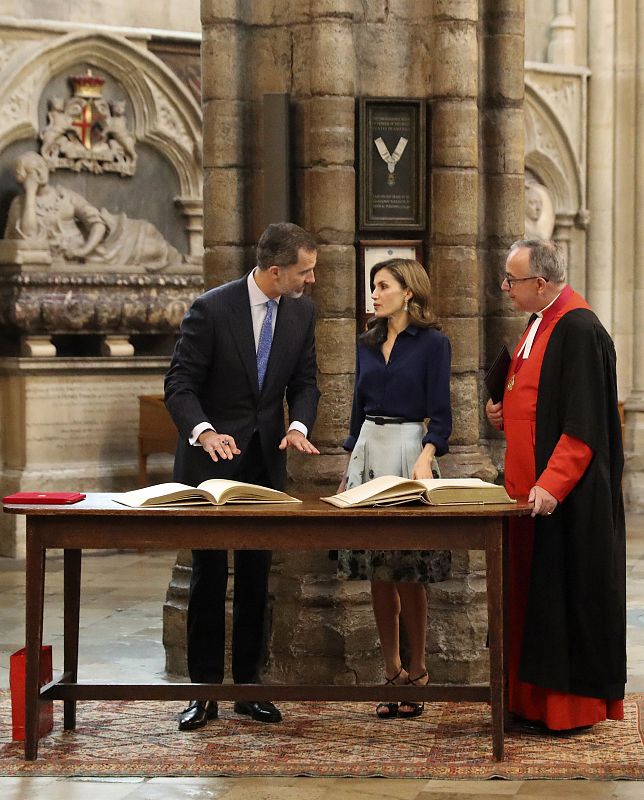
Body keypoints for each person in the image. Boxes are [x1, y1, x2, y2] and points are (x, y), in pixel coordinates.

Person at [165, 222, 321, 730]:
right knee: (208, 577)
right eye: (305, 271)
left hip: (264, 463)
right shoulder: (212, 308)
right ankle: (204, 692)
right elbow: (180, 384)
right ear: (275, 271)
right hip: (210, 464)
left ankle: (249, 687)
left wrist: (297, 425)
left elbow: (305, 384)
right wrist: (204, 432)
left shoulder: (300, 313)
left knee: (257, 576)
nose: (311, 280)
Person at [485, 239, 626, 733]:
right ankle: (528, 701)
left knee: (562, 604)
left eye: (512, 280)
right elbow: (535, 404)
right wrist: (499, 414)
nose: (505, 287)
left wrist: (552, 484)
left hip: (563, 501)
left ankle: (567, 710)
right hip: (527, 496)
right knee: (530, 604)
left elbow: (583, 425)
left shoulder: (580, 328)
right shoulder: (538, 322)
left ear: (540, 284)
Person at [337, 258, 452, 719]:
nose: (375, 293)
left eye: (382, 285)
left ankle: (419, 670)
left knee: (410, 570)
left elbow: (441, 415)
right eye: (373, 286)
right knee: (377, 569)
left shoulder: (433, 344)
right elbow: (356, 409)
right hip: (369, 451)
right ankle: (391, 671)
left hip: (409, 452)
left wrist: (425, 456)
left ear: (408, 291)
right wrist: (349, 461)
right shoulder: (365, 343)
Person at [5, 151, 182, 270]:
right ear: (23, 175)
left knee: (148, 233)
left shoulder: (64, 196)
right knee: (151, 251)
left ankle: (184, 261)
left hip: (96, 249)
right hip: (75, 260)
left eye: (41, 165)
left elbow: (97, 223)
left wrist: (84, 250)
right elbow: (27, 238)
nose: (39, 171)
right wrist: (30, 193)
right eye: (32, 168)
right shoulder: (20, 204)